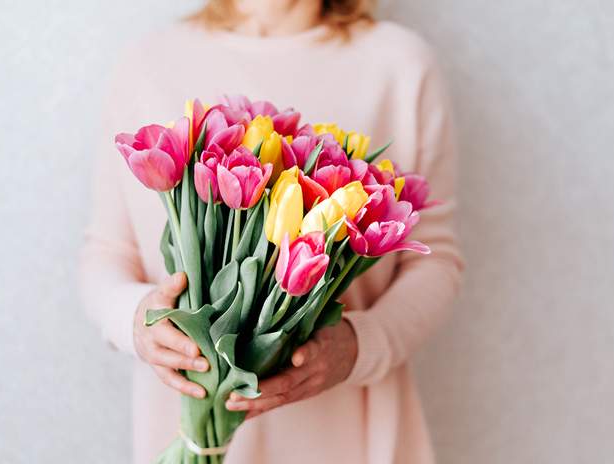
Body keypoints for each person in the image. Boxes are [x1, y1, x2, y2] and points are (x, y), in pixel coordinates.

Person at [80, 0, 464, 462]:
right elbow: (106, 251)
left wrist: (362, 345)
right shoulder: (147, 62)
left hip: (349, 432)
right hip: (184, 420)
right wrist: (134, 321)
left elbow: (435, 260)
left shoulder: (400, 63)